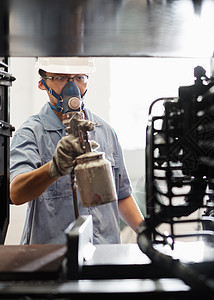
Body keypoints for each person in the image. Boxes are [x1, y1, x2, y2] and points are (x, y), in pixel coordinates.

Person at [9, 57, 144, 244]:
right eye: (60, 78)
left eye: (79, 77)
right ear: (42, 84)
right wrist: (53, 169)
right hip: (53, 257)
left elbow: (121, 196)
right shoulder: (31, 133)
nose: (71, 88)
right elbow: (17, 193)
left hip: (104, 253)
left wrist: (145, 233)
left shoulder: (105, 131)